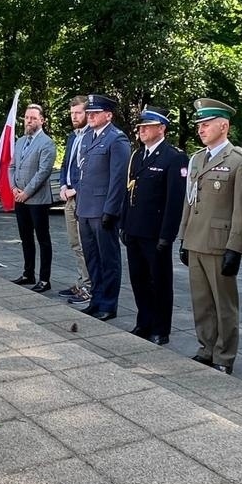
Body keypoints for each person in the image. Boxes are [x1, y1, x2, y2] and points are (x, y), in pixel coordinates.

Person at [179, 99, 242, 372]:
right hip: (196, 239)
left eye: (207, 124)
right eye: (199, 125)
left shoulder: (241, 160)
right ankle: (206, 348)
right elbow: (189, 201)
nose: (201, 129)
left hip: (219, 243)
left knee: (224, 305)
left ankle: (224, 356)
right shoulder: (197, 159)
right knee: (201, 302)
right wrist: (183, 238)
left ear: (224, 126)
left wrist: (236, 247)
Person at [122, 108, 188, 344]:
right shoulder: (137, 155)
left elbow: (174, 201)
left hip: (155, 232)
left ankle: (161, 328)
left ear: (161, 128)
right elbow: (129, 191)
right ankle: (144, 321)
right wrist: (124, 223)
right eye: (140, 127)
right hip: (135, 228)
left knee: (159, 281)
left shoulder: (174, 157)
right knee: (138, 279)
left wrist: (167, 235)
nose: (142, 130)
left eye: (147, 126)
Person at [71, 94, 131, 321]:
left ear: (108, 115)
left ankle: (108, 304)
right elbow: (81, 173)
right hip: (86, 207)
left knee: (108, 260)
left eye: (95, 113)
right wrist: (79, 204)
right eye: (89, 113)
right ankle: (96, 300)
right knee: (92, 258)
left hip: (102, 210)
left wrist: (111, 210)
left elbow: (118, 179)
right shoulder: (87, 137)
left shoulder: (117, 139)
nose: (91, 116)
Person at [8, 104, 57, 292]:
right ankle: (28, 273)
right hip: (19, 198)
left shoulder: (47, 143)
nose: (29, 121)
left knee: (43, 239)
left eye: (33, 118)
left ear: (42, 120)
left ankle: (44, 279)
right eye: (27, 117)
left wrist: (26, 192)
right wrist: (14, 188)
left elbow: (43, 172)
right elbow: (12, 166)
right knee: (25, 237)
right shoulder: (20, 141)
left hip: (37, 200)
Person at [55, 96, 94, 304]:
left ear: (87, 113)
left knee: (86, 243)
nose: (74, 117)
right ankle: (82, 282)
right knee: (74, 243)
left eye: (78, 113)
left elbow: (91, 170)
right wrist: (63, 185)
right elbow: (65, 165)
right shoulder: (73, 137)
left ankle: (89, 286)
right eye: (71, 113)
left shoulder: (92, 136)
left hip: (84, 198)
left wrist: (75, 189)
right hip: (69, 197)